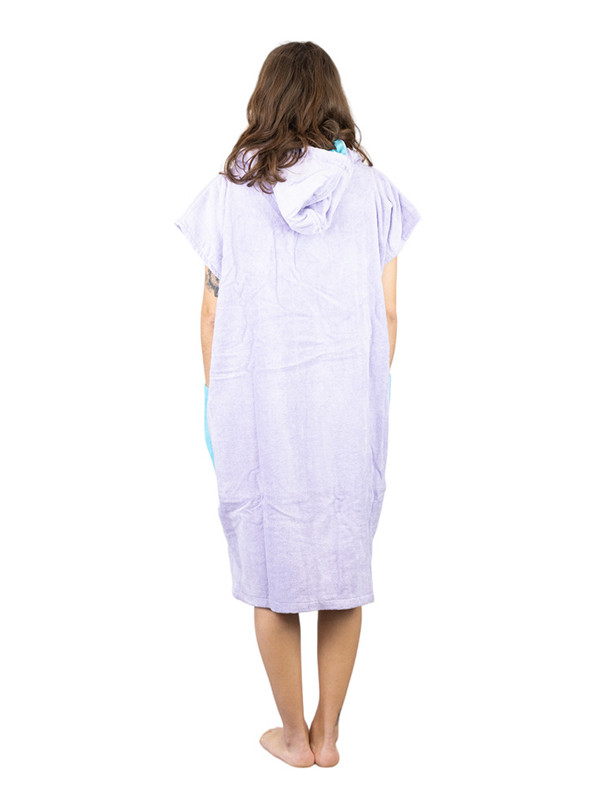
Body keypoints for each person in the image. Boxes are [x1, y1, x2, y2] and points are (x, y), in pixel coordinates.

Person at [174, 41, 421, 768]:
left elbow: (211, 315)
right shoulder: (373, 191)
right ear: (334, 99)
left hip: (255, 413)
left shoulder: (229, 192)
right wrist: (361, 395)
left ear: (266, 99)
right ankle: (328, 734)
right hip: (349, 413)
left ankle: (291, 736)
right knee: (344, 569)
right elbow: (389, 315)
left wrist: (216, 404)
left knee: (269, 568)